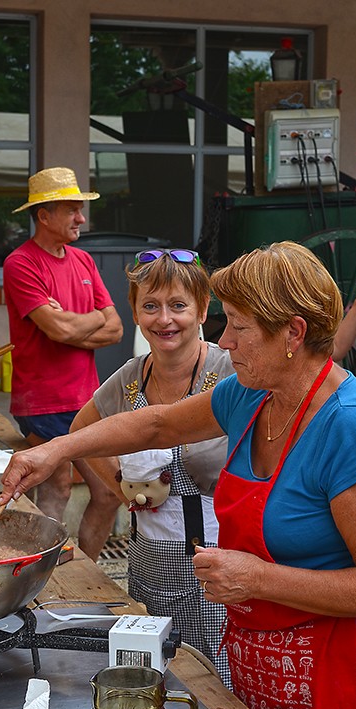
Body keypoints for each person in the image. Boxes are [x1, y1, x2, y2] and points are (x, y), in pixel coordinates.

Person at [0, 240, 356, 709]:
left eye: (240, 328)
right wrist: (54, 451)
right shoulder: (252, 396)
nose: (224, 341)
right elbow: (153, 426)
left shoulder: (353, 425)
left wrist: (254, 579)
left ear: (293, 333)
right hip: (267, 658)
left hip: (355, 671)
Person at [69, 248, 234, 684]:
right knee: (157, 677)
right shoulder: (130, 378)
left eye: (178, 305)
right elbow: (80, 432)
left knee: (217, 684)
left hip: (219, 562)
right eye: (151, 306)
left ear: (202, 309)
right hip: (147, 562)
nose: (164, 319)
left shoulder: (230, 370)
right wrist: (119, 485)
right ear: (136, 312)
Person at [3, 166, 123, 556]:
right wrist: (90, 321)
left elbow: (117, 328)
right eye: (72, 209)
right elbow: (58, 330)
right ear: (44, 215)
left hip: (86, 399)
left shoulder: (84, 261)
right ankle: (44, 580)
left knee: (109, 492)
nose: (81, 218)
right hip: (43, 403)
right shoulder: (20, 264)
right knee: (55, 488)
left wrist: (75, 323)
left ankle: (82, 575)